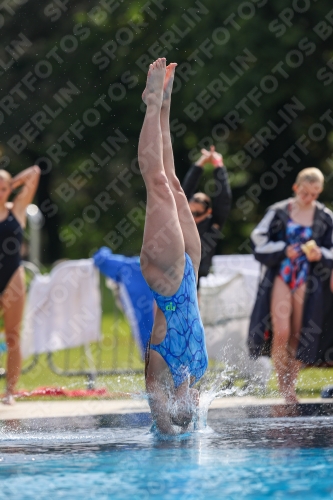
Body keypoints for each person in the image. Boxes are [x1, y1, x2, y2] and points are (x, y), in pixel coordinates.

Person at [139, 58, 208, 435]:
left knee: (159, 184)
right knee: (175, 185)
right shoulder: (195, 370)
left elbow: (156, 407)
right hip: (190, 273)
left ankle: (151, 103)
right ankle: (163, 103)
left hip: (167, 279)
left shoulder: (158, 366)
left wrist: (164, 425)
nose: (192, 406)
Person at [248, 168, 333, 403]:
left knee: (299, 333)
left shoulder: (324, 215)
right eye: (305, 193)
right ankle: (282, 381)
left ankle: (289, 386)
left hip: (308, 278)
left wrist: (321, 254)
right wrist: (282, 250)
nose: (309, 198)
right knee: (281, 331)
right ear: (296, 188)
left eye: (315, 194)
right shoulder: (278, 211)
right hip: (283, 274)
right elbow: (258, 239)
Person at [0, 166, 41, 404]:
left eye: (3, 188)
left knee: (13, 337)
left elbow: (35, 173)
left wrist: (11, 183)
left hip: (12, 277)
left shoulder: (17, 209)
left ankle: (9, 393)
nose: (1, 192)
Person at [182, 145, 232, 286]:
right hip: (174, 276)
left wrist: (219, 165)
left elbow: (224, 199)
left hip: (198, 280)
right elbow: (185, 189)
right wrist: (200, 163)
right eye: (190, 212)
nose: (192, 217)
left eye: (197, 213)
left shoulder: (213, 224)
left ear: (208, 212)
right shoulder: (182, 220)